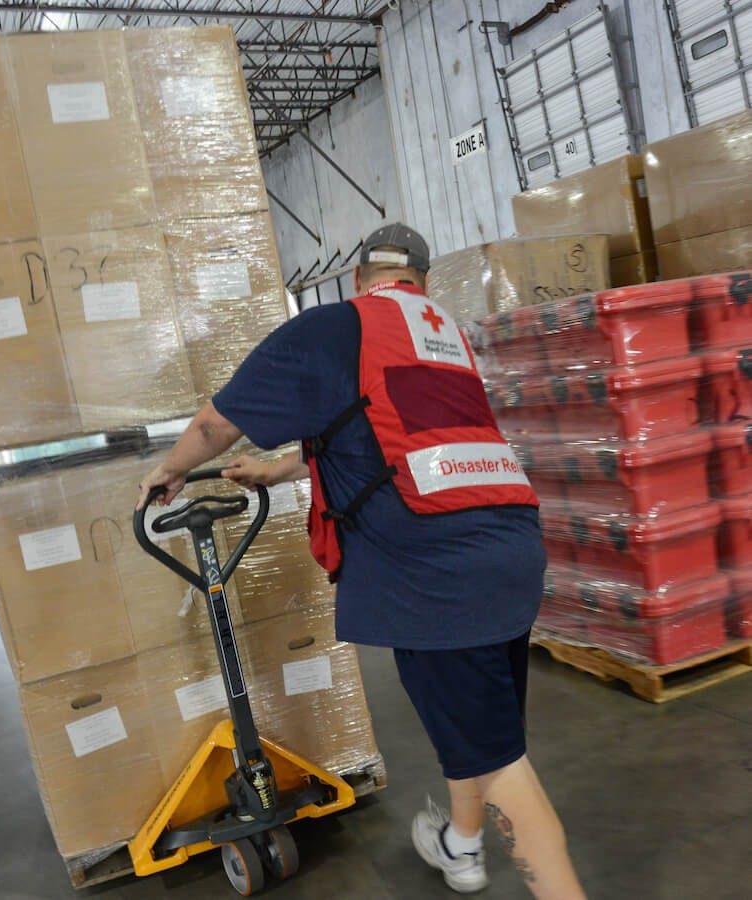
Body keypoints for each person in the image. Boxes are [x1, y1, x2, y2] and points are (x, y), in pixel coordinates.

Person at [137, 223, 586, 899]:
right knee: (478, 730)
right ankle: (460, 847)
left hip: (434, 577)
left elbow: (213, 426)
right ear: (422, 285)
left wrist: (167, 473)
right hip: (511, 551)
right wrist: (277, 470)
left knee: (498, 763)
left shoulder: (331, 329)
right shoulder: (444, 344)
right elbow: (372, 437)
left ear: (357, 280)